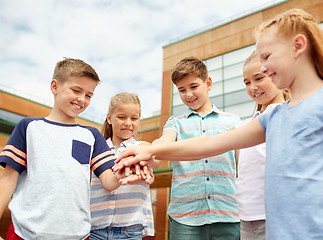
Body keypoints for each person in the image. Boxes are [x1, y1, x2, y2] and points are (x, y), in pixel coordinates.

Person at [115, 9, 323, 240]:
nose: (262, 67)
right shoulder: (272, 117)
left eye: (266, 57)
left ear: (298, 46)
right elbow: (210, 144)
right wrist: (150, 150)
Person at [0, 58, 149, 240]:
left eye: (89, 95)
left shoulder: (92, 136)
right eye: (76, 90)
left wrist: (122, 174)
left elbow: (108, 182)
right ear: (55, 86)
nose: (82, 99)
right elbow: (7, 181)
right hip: (25, 234)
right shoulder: (29, 127)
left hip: (77, 235)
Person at [142, 56, 241, 240]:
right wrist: (149, 156)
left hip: (228, 214)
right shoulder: (175, 123)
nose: (188, 94)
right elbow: (165, 142)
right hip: (185, 217)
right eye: (181, 90)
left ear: (208, 83)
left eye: (193, 87)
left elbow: (242, 167)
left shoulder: (233, 121)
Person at [236, 50, 290, 240]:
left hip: (274, 216)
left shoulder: (287, 113)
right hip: (245, 216)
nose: (253, 87)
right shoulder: (248, 123)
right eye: (247, 82)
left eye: (259, 78)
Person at [90, 92, 154, 240]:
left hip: (130, 230)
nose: (128, 123)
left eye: (134, 118)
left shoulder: (143, 148)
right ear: (109, 118)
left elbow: (154, 158)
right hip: (95, 229)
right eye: (121, 117)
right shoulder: (96, 149)